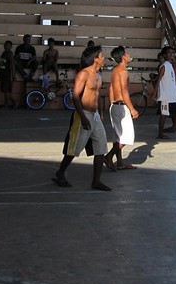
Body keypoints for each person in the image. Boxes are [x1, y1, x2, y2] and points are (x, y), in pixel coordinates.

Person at [52, 45, 111, 191]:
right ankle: (60, 173)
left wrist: (100, 112)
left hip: (95, 116)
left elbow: (97, 96)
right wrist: (82, 116)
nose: (104, 58)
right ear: (95, 58)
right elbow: (75, 96)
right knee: (74, 148)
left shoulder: (98, 75)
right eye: (102, 55)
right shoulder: (83, 74)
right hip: (83, 114)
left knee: (101, 148)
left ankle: (96, 181)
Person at [104, 46, 139, 171]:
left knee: (118, 137)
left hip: (114, 105)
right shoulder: (123, 71)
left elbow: (110, 89)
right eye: (127, 53)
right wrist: (132, 109)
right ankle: (108, 157)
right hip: (121, 106)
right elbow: (124, 92)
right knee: (126, 137)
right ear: (123, 56)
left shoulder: (115, 70)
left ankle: (119, 162)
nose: (129, 55)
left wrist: (112, 104)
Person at [150, 46, 176, 139]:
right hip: (165, 97)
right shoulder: (164, 66)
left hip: (172, 96)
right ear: (165, 55)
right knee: (164, 115)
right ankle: (160, 133)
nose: (172, 54)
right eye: (169, 53)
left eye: (173, 52)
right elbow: (159, 80)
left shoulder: (171, 65)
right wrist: (154, 94)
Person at [0, 40, 17, 109]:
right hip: (3, 74)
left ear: (11, 46)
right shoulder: (4, 53)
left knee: (6, 91)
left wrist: (13, 75)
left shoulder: (10, 54)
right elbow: (2, 63)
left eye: (8, 45)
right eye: (5, 45)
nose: (6, 46)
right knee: (5, 91)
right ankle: (15, 102)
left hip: (7, 74)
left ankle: (6, 105)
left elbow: (12, 65)